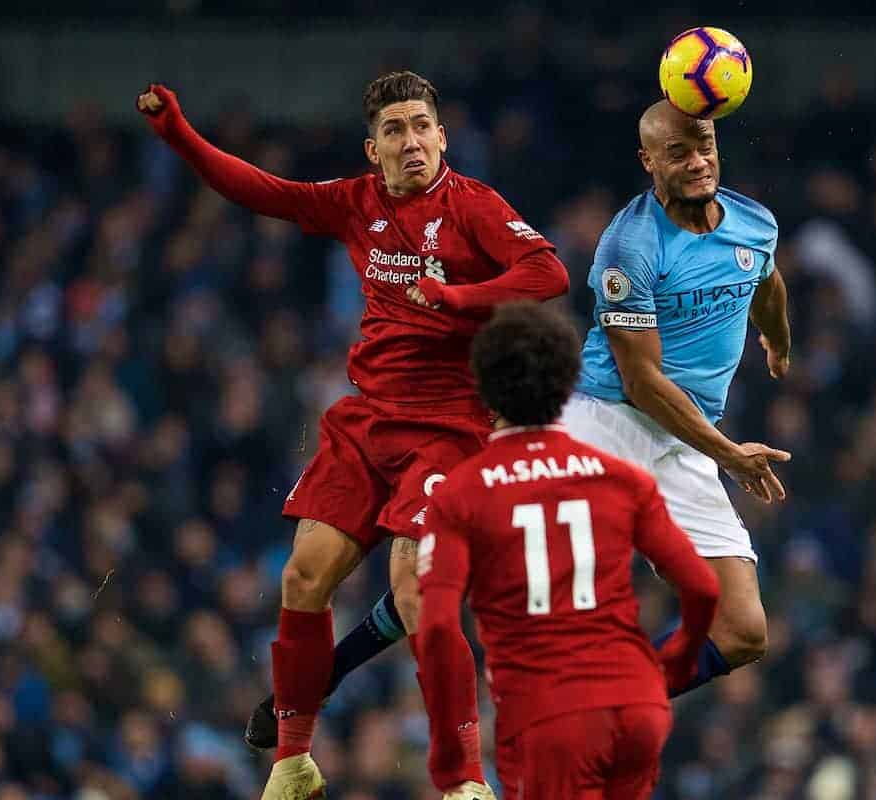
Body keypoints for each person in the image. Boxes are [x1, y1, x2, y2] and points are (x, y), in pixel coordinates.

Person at [137, 71, 568, 800]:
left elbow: (548, 271)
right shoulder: (353, 202)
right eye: (394, 131)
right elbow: (260, 190)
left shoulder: (474, 207)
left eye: (421, 127)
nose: (411, 142)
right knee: (303, 577)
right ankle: (294, 764)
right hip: (368, 421)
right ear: (374, 149)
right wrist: (179, 133)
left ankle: (465, 781)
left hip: (451, 427)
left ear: (442, 136)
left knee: (417, 591)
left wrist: (461, 296)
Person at [417, 301, 720, 799]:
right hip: (638, 706)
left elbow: (435, 628)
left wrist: (452, 762)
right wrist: (673, 667)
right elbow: (703, 589)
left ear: (486, 392)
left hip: (549, 716)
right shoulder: (621, 479)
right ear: (567, 383)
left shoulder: (461, 494)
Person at [562, 99, 793, 696]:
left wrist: (776, 339)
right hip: (604, 426)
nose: (698, 163)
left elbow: (765, 280)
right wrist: (728, 454)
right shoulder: (629, 246)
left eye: (706, 147)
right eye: (678, 153)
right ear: (648, 162)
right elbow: (642, 382)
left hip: (683, 438)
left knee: (743, 631)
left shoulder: (753, 222)